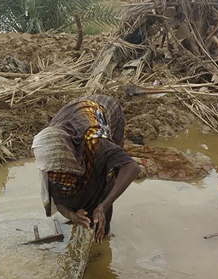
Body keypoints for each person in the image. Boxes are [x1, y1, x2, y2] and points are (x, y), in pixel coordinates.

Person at [32, 95, 140, 243]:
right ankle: (89, 214)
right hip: (74, 116)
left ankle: (102, 226)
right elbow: (59, 200)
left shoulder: (95, 141)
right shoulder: (49, 154)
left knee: (105, 175)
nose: (58, 176)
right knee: (72, 185)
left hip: (105, 111)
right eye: (55, 173)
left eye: (63, 171)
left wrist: (103, 206)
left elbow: (131, 167)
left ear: (70, 159)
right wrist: (73, 216)